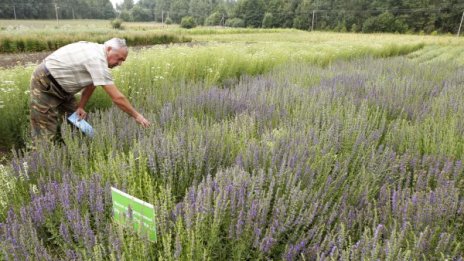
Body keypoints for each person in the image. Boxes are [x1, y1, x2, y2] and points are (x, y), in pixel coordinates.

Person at [29, 38, 150, 143]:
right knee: (44, 134)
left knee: (79, 121)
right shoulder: (97, 60)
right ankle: (37, 164)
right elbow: (117, 98)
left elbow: (92, 83)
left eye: (122, 61)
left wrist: (81, 106)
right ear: (109, 49)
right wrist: (137, 116)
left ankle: (89, 148)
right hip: (45, 83)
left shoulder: (98, 51)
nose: (119, 63)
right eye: (119, 58)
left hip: (63, 89)